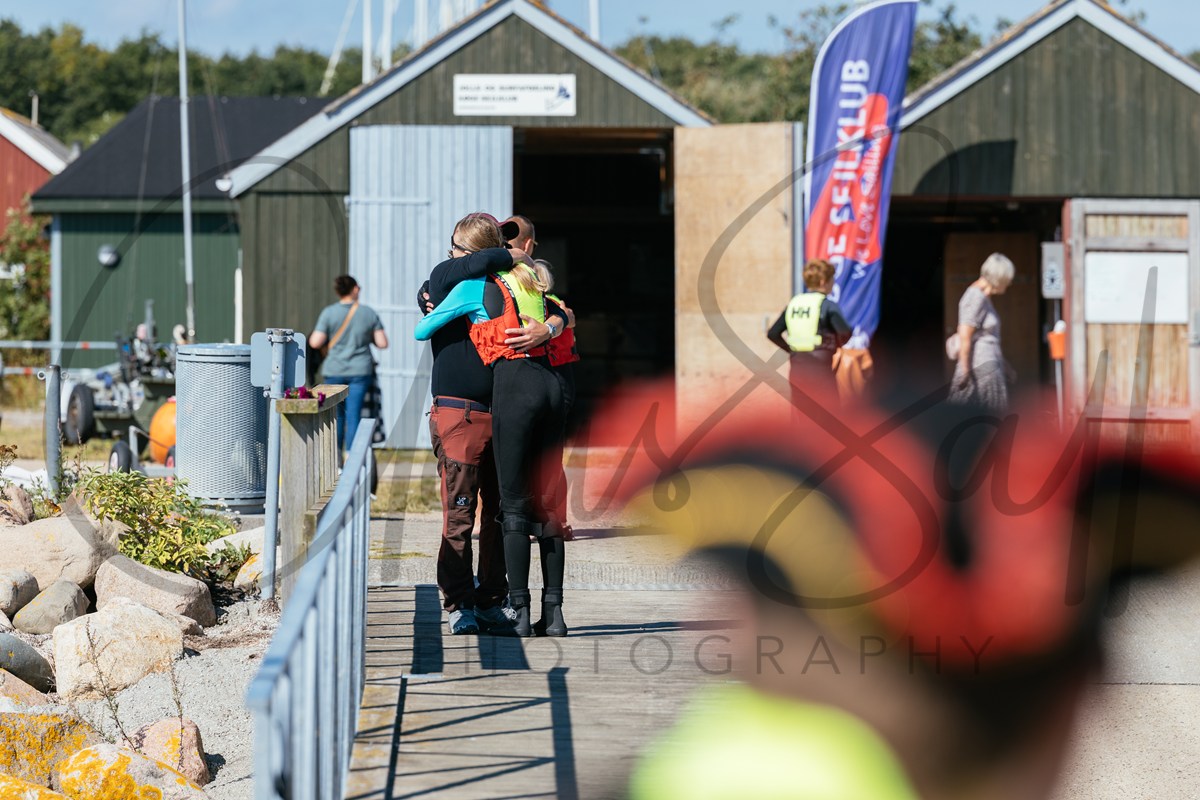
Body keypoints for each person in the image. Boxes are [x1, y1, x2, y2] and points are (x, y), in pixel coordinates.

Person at [416, 214, 572, 638]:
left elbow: (560, 311)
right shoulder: (445, 278)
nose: (449, 253)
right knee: (461, 513)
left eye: (455, 246)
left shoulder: (507, 284)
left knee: (502, 513)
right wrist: (514, 254)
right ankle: (460, 604)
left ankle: (491, 600)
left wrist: (548, 329)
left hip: (504, 411)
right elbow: (454, 281)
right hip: (461, 411)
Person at [309, 275, 388, 454]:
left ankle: (335, 457)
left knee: (335, 416)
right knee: (354, 415)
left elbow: (315, 342)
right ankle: (352, 457)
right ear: (354, 289)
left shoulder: (329, 313)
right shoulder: (368, 313)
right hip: (360, 371)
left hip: (334, 370)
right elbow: (382, 343)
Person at [533, 258, 579, 541]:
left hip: (554, 378)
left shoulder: (548, 306)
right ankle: (552, 519)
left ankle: (553, 519)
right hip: (558, 378)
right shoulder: (557, 305)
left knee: (546, 453)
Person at [767, 259, 851, 406]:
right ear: (823, 281)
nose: (833, 283)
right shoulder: (827, 305)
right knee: (829, 414)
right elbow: (845, 333)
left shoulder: (794, 304)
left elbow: (773, 334)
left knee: (802, 414)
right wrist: (834, 345)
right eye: (832, 279)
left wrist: (791, 350)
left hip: (797, 370)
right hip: (821, 371)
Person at [948, 252, 1014, 413]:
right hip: (979, 368)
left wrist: (1006, 367)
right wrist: (964, 369)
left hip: (987, 366)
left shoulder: (983, 297)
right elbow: (965, 334)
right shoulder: (975, 296)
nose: (1009, 283)